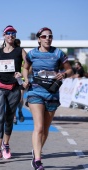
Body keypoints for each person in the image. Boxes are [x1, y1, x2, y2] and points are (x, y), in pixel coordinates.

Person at [22, 27, 73, 170]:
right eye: (44, 36)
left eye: (50, 36)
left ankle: (36, 150)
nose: (47, 38)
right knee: (38, 127)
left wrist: (63, 74)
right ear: (39, 39)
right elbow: (25, 68)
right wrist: (26, 79)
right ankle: (37, 160)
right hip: (35, 93)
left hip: (52, 94)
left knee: (45, 129)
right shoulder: (32, 54)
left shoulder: (58, 53)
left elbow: (69, 69)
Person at [0, 25, 27, 160]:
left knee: (9, 118)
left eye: (13, 33)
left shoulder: (20, 51)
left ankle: (6, 145)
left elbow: (28, 66)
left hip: (14, 89)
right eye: (8, 33)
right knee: (0, 117)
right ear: (4, 35)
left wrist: (23, 75)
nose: (11, 35)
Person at [13, 38, 25, 124]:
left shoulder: (22, 53)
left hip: (21, 80)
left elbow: (29, 66)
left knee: (20, 99)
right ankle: (14, 116)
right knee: (12, 100)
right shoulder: (10, 53)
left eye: (18, 44)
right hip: (12, 80)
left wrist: (24, 74)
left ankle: (20, 111)